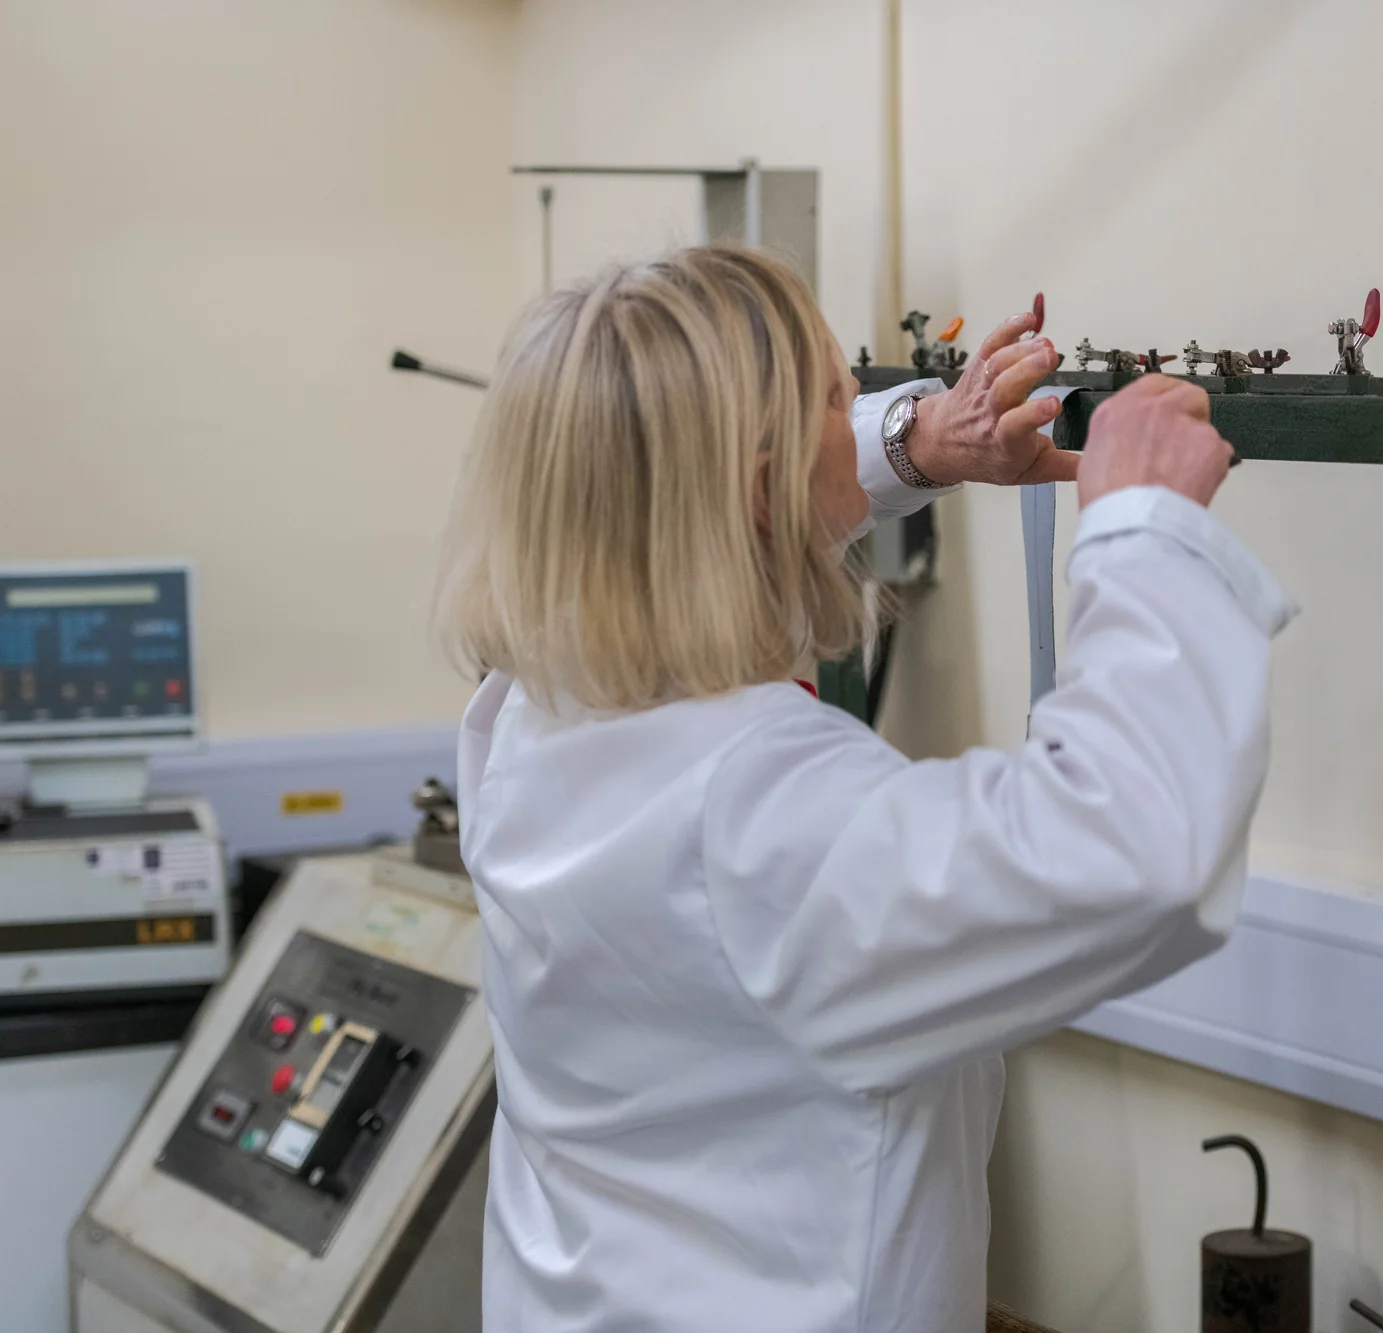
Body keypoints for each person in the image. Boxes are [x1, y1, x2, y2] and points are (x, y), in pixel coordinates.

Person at [434, 245, 1294, 1332]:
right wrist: (1141, 526)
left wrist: (917, 444)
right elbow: (1134, 858)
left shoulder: (528, 713)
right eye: (839, 399)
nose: (861, 411)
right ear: (758, 488)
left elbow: (681, 511)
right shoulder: (760, 817)